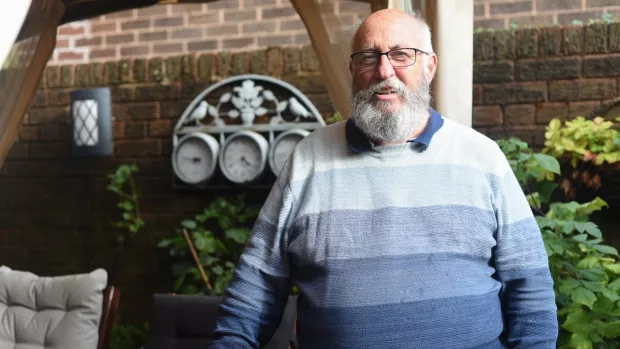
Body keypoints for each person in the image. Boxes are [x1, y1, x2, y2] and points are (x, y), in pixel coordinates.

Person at [207, 9, 558, 349]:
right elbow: (258, 282)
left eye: (402, 55)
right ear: (353, 70)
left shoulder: (483, 158)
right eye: (368, 58)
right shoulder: (307, 160)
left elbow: (529, 285)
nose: (384, 71)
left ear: (430, 66)